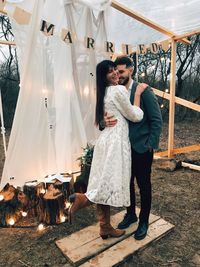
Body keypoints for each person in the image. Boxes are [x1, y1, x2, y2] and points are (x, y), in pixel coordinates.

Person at [68, 59, 147, 240]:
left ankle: (105, 227)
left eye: (116, 70)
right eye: (110, 71)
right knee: (107, 185)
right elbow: (135, 116)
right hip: (115, 143)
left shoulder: (102, 94)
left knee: (102, 182)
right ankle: (83, 199)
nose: (115, 74)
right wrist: (138, 94)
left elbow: (104, 119)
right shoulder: (119, 90)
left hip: (104, 142)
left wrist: (104, 122)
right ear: (103, 77)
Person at [104, 56, 162, 240]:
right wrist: (103, 122)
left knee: (143, 185)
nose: (118, 75)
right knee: (126, 183)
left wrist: (150, 145)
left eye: (121, 71)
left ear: (131, 70)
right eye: (115, 71)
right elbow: (108, 116)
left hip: (141, 148)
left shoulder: (143, 91)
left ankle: (144, 221)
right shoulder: (114, 91)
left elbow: (156, 120)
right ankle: (131, 214)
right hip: (122, 149)